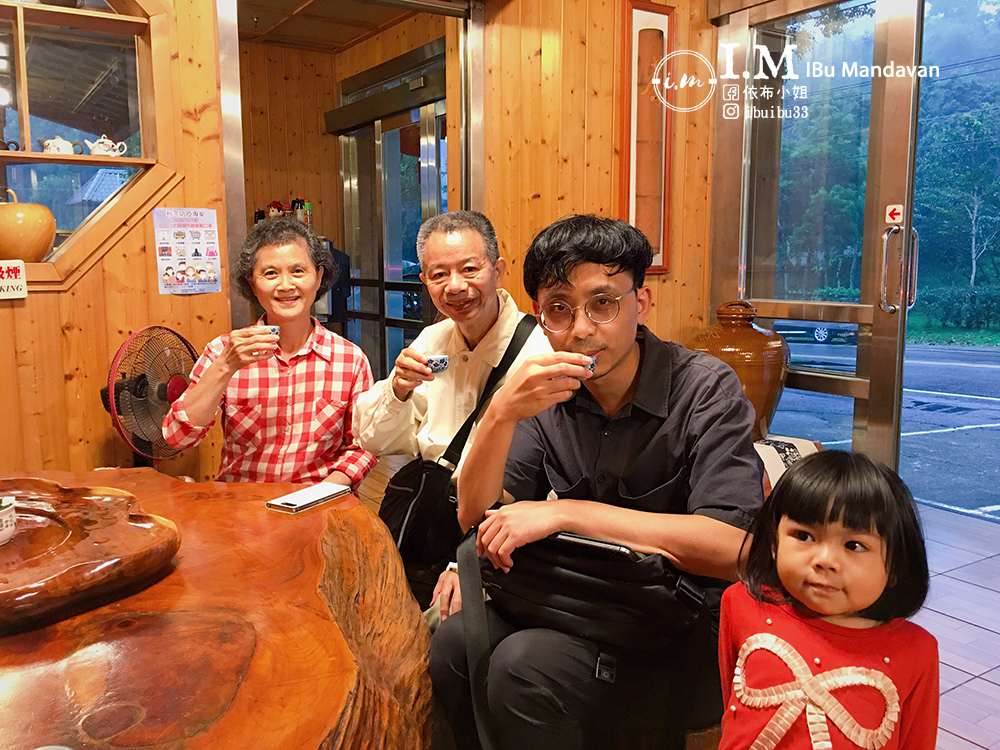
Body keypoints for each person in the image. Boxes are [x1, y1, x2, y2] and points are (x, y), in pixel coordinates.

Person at [429, 215, 765, 749]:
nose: (582, 327)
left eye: (603, 302)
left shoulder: (704, 388)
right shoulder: (549, 385)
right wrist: (497, 417)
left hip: (670, 632)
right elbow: (476, 516)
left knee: (521, 667)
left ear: (641, 304)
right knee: (452, 646)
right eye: (559, 309)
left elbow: (735, 549)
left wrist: (565, 512)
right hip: (579, 602)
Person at [354, 210, 550, 615]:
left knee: (440, 629)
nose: (456, 287)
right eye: (439, 275)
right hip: (425, 519)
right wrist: (398, 389)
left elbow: (540, 479)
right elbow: (374, 439)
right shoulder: (432, 338)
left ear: (497, 270)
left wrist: (467, 559)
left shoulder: (539, 352)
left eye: (470, 269)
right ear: (424, 281)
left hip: (499, 529)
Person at [719, 450, 937, 750]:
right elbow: (733, 708)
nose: (825, 560)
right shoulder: (741, 603)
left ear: (897, 566)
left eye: (854, 545)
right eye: (804, 536)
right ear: (773, 541)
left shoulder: (916, 651)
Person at [163, 217, 376, 489]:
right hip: (242, 510)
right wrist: (225, 366)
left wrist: (323, 492)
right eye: (271, 273)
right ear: (252, 284)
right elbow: (177, 437)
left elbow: (363, 447)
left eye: (298, 271)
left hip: (321, 504)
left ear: (319, 276)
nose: (285, 285)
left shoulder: (350, 359)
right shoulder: (223, 351)